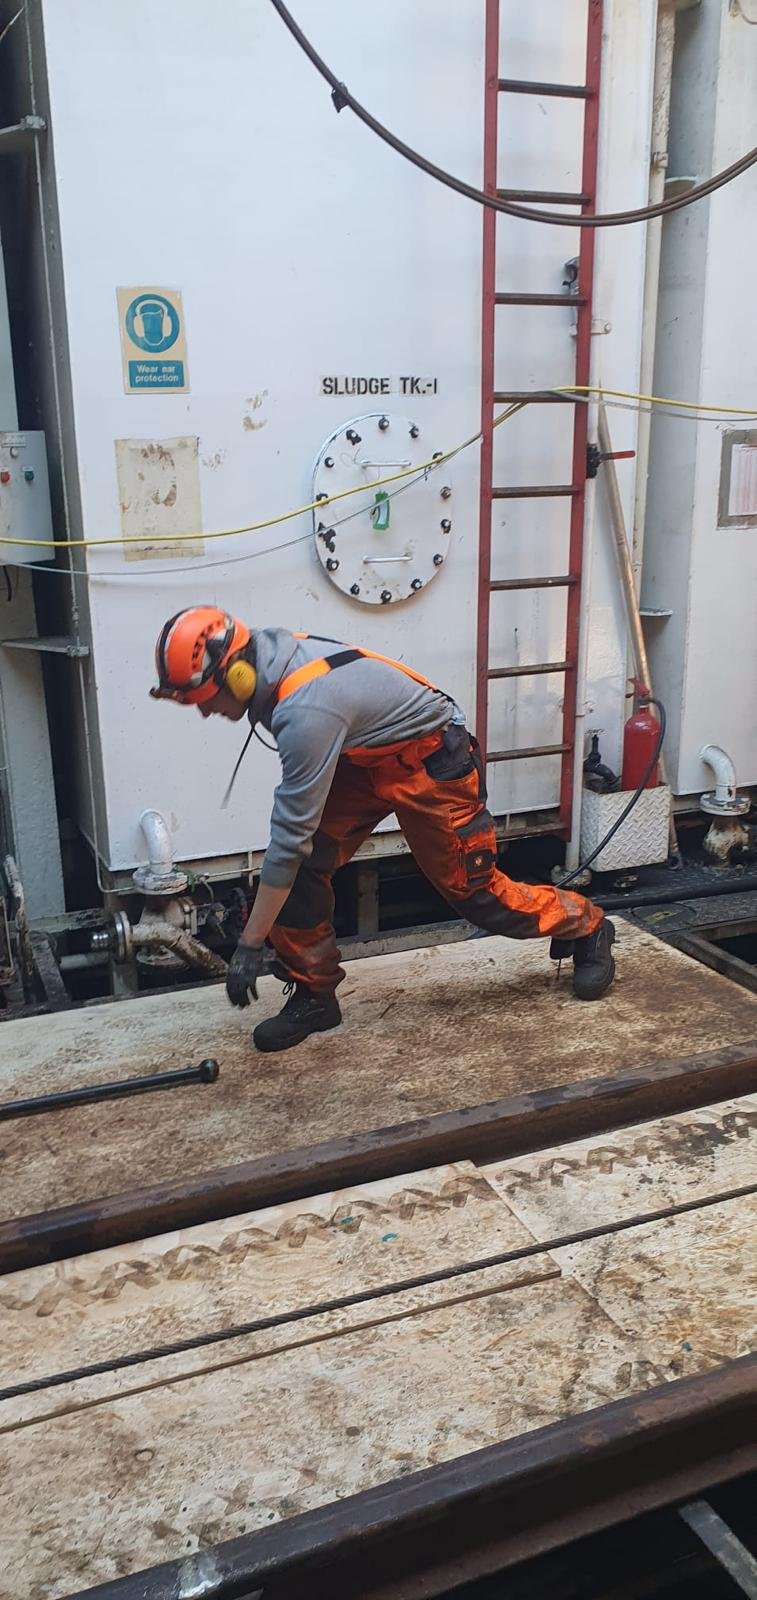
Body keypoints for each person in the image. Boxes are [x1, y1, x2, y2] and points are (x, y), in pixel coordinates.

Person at [151, 607, 615, 1051]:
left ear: (237, 674)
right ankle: (315, 995)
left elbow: (287, 842)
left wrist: (250, 944)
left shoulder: (305, 711)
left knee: (477, 896)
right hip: (367, 760)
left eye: (203, 699)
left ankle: (585, 925)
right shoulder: (271, 656)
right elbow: (294, 847)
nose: (205, 713)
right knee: (303, 867)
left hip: (431, 760)